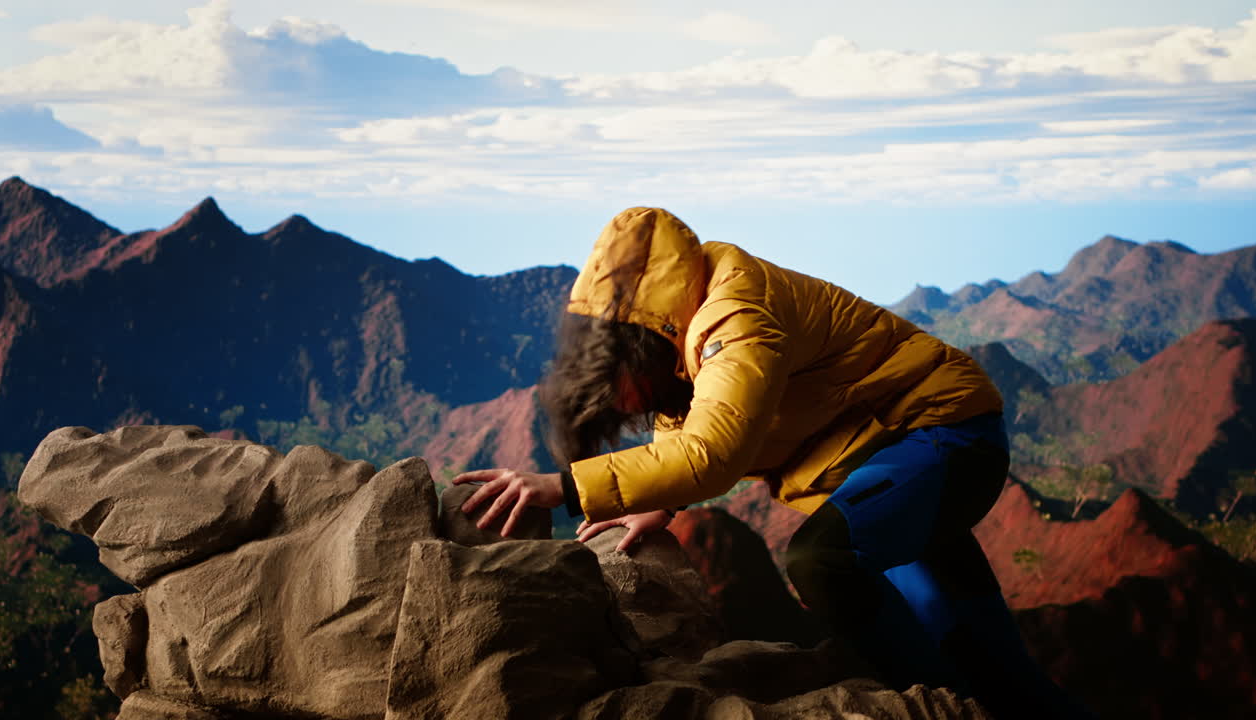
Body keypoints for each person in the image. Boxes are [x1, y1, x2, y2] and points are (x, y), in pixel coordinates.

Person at [454, 207, 1095, 719]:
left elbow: (714, 451)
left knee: (822, 563)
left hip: (941, 436)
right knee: (995, 667)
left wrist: (563, 487)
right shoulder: (681, 330)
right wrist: (660, 502)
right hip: (889, 469)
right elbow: (697, 418)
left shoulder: (735, 313)